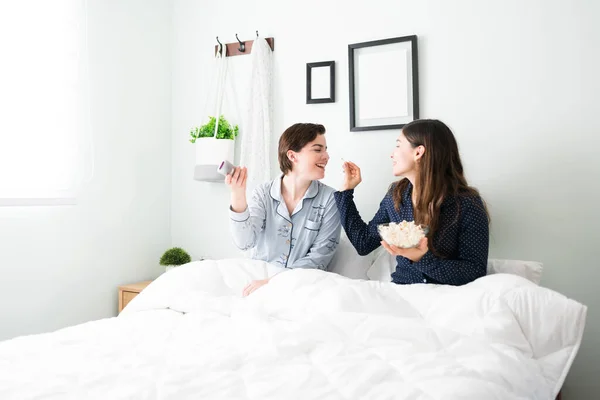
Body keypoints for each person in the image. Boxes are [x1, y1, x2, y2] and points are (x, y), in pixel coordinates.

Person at [334, 119, 489, 286]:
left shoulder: (466, 203)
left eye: (398, 145)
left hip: (447, 296)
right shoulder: (396, 195)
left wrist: (422, 258)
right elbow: (363, 243)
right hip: (402, 293)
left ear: (418, 152)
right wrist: (345, 193)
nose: (392, 154)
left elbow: (474, 271)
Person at [227, 123, 341, 296]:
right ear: (292, 156)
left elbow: (319, 259)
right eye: (318, 150)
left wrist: (274, 283)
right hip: (256, 283)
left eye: (325, 150)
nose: (326, 156)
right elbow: (245, 243)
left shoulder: (331, 200)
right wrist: (237, 194)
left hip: (301, 288)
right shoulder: (263, 194)